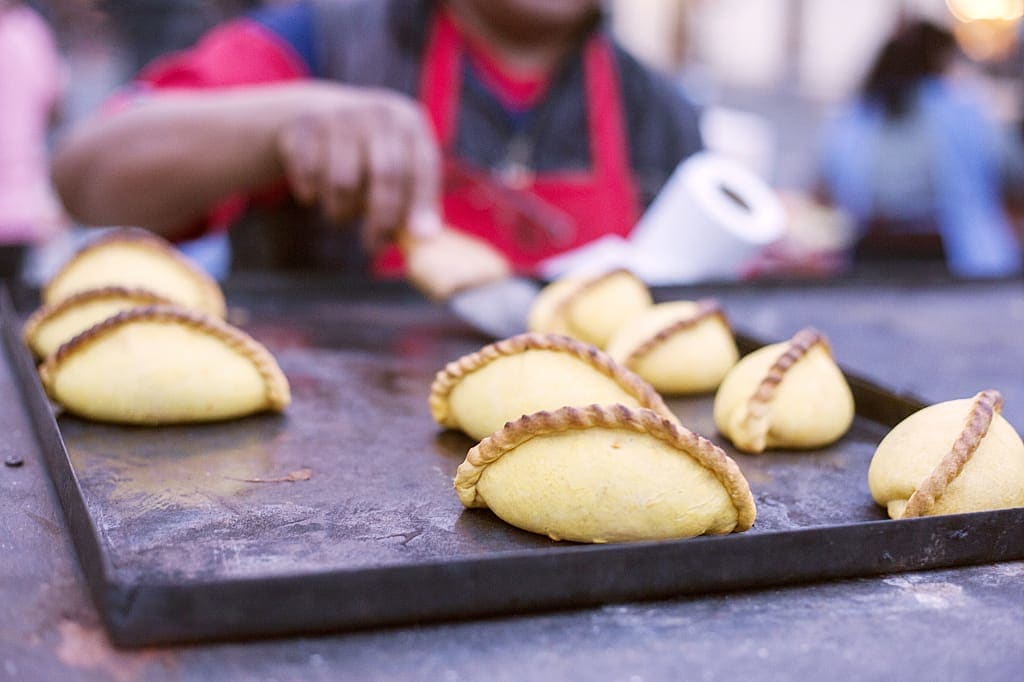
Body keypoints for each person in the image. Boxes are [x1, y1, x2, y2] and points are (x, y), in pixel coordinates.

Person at [52, 0, 703, 281]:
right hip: (318, 496)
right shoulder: (322, 42)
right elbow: (85, 175)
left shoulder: (661, 115)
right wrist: (286, 122)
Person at [818, 19, 1022, 278]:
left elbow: (828, 185)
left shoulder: (856, 114)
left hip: (866, 257)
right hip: (953, 259)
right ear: (939, 60)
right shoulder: (959, 108)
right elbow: (1012, 170)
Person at [0, 0, 65, 281]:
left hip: (18, 205)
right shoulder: (30, 31)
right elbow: (55, 109)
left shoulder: (30, 31)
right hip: (20, 206)